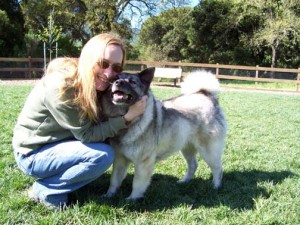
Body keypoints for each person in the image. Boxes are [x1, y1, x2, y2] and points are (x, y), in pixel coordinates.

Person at [12, 32, 147, 209]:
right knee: (102, 155)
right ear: (89, 58)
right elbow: (87, 134)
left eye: (116, 68)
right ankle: (46, 191)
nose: (109, 73)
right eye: (103, 63)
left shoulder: (93, 82)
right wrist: (127, 118)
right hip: (32, 154)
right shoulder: (63, 87)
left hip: (57, 143)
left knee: (102, 148)